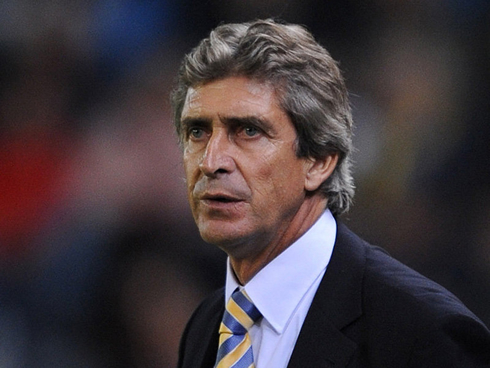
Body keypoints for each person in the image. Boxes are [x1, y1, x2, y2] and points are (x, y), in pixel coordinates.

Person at [171, 19, 490, 368]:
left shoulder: (423, 334)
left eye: (248, 130)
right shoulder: (205, 324)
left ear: (320, 160)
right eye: (197, 131)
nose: (211, 161)